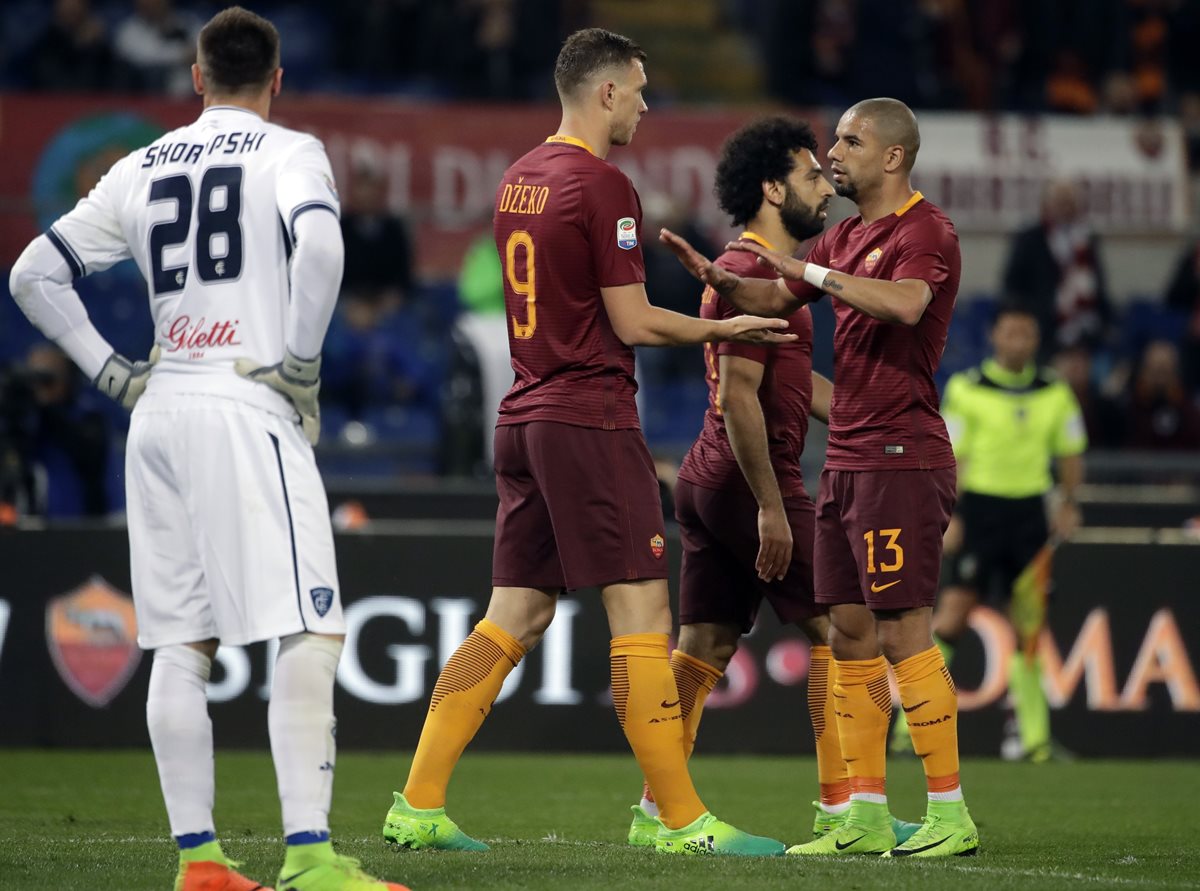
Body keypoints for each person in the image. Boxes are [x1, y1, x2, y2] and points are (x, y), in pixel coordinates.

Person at [9, 8, 406, 891]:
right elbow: (324, 247)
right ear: (276, 80)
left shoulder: (138, 166)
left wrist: (113, 374)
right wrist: (301, 365)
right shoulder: (289, 151)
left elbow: (32, 274)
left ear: (195, 78)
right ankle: (309, 856)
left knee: (184, 643)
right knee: (309, 626)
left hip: (159, 413)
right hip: (244, 399)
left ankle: (201, 861)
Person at [380, 28, 791, 858]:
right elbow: (631, 321)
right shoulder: (604, 185)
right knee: (641, 608)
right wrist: (732, 324)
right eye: (638, 90)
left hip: (524, 413)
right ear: (605, 93)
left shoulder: (518, 179)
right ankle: (676, 820)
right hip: (588, 415)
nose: (645, 104)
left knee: (515, 612)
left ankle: (417, 802)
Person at [661, 97, 979, 858]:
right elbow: (773, 297)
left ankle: (950, 810)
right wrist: (718, 284)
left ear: (894, 157)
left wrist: (809, 270)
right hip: (844, 461)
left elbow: (906, 304)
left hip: (901, 455)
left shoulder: (924, 231)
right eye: (834, 139)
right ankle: (863, 812)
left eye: (850, 140)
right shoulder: (844, 233)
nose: (834, 152)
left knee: (904, 630)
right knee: (849, 632)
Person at [624, 115, 916, 849]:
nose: (826, 187)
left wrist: (871, 415)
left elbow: (790, 383)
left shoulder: (761, 270)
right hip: (749, 480)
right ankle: (847, 807)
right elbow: (739, 397)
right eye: (813, 175)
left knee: (704, 646)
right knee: (846, 631)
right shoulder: (753, 269)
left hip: (709, 475)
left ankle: (659, 806)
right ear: (771, 187)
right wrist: (772, 510)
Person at [889, 303, 1086, 763]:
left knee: (1030, 626)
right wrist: (949, 514)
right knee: (953, 616)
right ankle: (907, 733)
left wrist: (1069, 502)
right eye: (1010, 332)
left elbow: (1072, 450)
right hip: (979, 512)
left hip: (1030, 516)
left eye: (1026, 333)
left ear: (1036, 341)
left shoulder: (1055, 391)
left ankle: (1034, 742)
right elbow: (949, 456)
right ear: (994, 337)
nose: (1018, 341)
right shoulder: (967, 388)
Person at [1001, 179, 1112, 362]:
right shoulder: (1029, 238)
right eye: (1060, 201)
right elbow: (1012, 286)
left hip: (1085, 333)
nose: (1065, 207)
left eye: (1069, 201)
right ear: (1046, 204)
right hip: (1044, 332)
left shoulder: (1087, 239)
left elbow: (1098, 285)